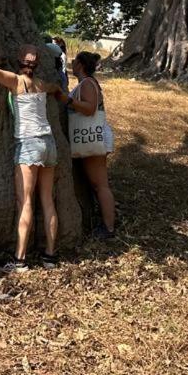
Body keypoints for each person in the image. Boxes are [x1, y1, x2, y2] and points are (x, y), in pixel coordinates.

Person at [0, 43, 66, 272]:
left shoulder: (16, 81)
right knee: (48, 201)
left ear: (19, 61)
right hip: (49, 144)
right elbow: (56, 88)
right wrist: (63, 95)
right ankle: (50, 256)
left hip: (29, 145)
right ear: (36, 64)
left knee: (25, 202)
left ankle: (20, 260)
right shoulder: (41, 84)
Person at [67, 51, 116, 240]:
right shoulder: (86, 83)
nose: (71, 64)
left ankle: (109, 228)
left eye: (74, 61)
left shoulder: (87, 83)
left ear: (80, 64)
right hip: (92, 137)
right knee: (97, 184)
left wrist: (68, 100)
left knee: (100, 185)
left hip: (93, 137)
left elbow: (90, 108)